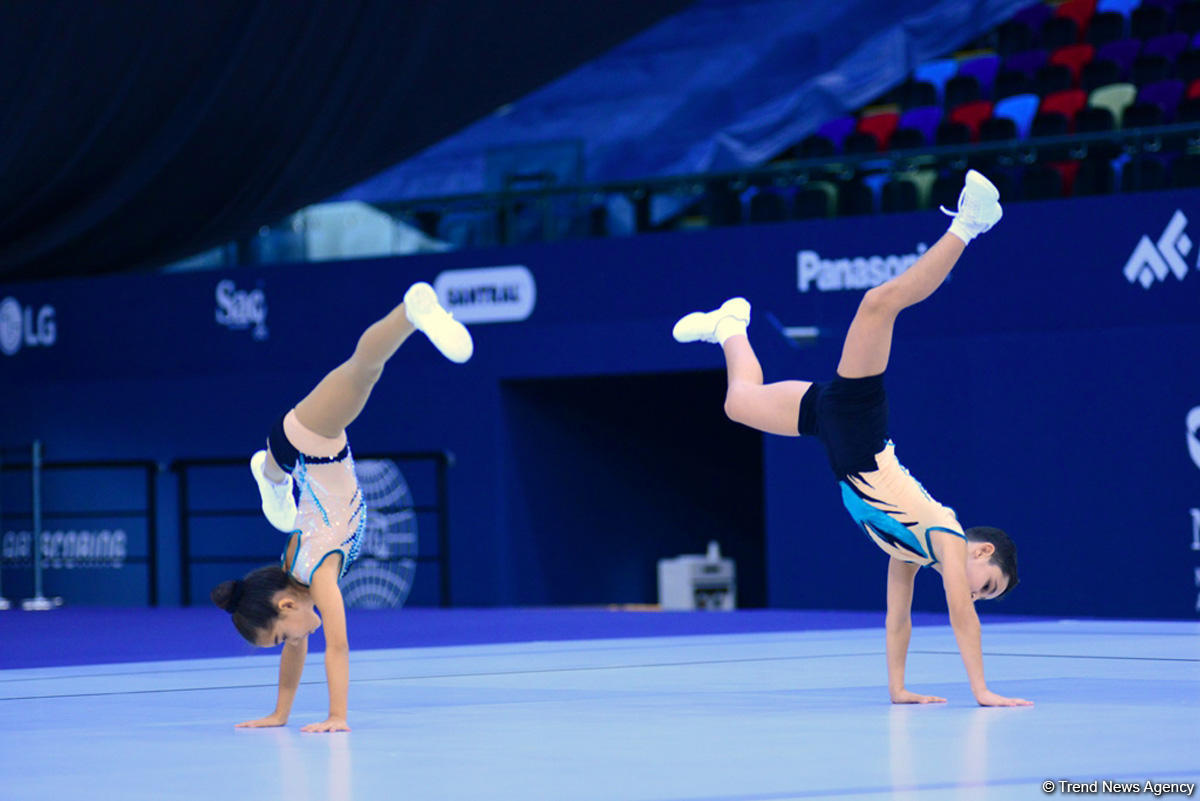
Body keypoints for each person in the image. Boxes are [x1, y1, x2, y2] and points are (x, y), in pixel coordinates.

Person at [672, 170, 1030, 707]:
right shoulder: (948, 540)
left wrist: (898, 689)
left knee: (737, 403)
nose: (977, 593)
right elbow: (961, 616)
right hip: (859, 433)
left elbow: (897, 619)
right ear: (982, 552)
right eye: (988, 584)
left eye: (984, 593)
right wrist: (981, 691)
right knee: (877, 303)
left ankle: (730, 326)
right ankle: (973, 224)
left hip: (831, 431)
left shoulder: (909, 551)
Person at [210, 281, 473, 732]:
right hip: (296, 448)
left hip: (314, 438)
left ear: (287, 606)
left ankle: (412, 311)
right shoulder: (292, 569)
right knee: (360, 374)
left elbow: (338, 647)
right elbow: (297, 653)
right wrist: (280, 715)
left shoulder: (320, 574)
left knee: (364, 368)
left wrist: (337, 716)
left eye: (277, 637)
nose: (285, 645)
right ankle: (270, 473)